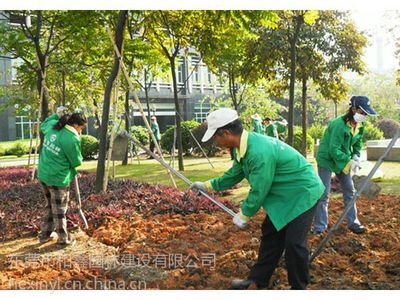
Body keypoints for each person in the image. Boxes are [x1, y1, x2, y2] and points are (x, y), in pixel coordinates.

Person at [190, 108, 325, 290]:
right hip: (285, 196)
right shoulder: (243, 147)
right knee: (271, 235)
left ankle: (299, 287)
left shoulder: (258, 151)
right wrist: (207, 186)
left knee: (294, 243)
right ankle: (257, 280)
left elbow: (260, 188)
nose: (216, 141)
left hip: (303, 193)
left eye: (216, 137)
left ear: (226, 133)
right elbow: (235, 174)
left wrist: (245, 214)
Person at [314, 96, 377, 235]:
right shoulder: (338, 124)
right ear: (353, 109)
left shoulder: (360, 125)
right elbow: (333, 149)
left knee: (350, 191)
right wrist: (349, 162)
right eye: (362, 112)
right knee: (323, 194)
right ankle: (320, 228)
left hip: (343, 160)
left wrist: (355, 155)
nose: (364, 116)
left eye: (366, 113)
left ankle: (353, 222)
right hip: (327, 160)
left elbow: (357, 143)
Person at [37, 107, 87, 246]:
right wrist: (77, 140)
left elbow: (44, 124)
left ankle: (44, 235)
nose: (80, 131)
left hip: (43, 174)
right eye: (81, 128)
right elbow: (77, 161)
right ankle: (64, 239)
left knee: (50, 206)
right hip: (57, 178)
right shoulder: (71, 138)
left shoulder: (53, 127)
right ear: (75, 125)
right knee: (59, 209)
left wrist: (56, 114)